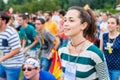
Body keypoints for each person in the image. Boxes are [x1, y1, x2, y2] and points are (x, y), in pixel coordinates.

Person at [58, 6, 110, 80]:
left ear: (83, 25)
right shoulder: (62, 50)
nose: (65, 24)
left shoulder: (95, 53)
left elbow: (105, 78)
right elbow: (63, 75)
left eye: (71, 20)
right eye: (65, 20)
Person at [0, 12, 24, 80]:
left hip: (13, 64)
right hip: (3, 62)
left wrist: (1, 59)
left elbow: (16, 50)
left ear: (4, 21)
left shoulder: (11, 32)